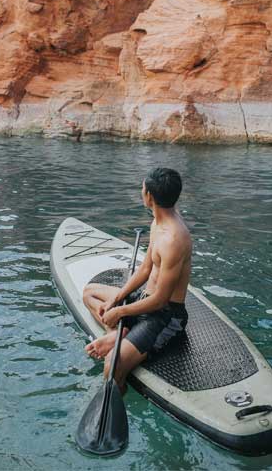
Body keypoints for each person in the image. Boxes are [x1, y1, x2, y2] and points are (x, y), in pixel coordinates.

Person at [83, 167, 192, 394]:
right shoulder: (158, 222)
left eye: (142, 188)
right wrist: (118, 297)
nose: (141, 192)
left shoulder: (174, 239)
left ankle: (119, 348)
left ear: (149, 196)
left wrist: (121, 313)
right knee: (90, 293)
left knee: (111, 368)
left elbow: (161, 300)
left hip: (165, 317)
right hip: (145, 300)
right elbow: (144, 269)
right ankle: (118, 335)